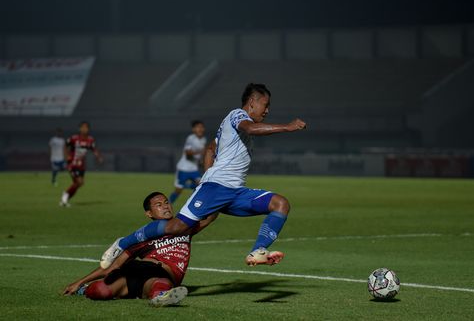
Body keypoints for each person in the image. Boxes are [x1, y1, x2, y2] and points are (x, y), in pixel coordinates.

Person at [101, 83, 306, 269]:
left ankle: (258, 250)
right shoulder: (237, 116)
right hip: (216, 188)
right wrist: (287, 127)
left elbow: (210, 149)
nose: (267, 110)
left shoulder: (231, 128)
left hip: (235, 191)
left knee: (280, 204)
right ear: (252, 102)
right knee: (176, 227)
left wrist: (207, 172)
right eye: (265, 104)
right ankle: (123, 243)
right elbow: (250, 129)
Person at [63, 191, 217, 306]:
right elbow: (115, 265)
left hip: (160, 274)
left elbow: (210, 217)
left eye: (166, 202)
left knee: (160, 285)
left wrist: (221, 196)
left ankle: (161, 296)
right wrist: (79, 281)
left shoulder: (184, 226)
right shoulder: (142, 236)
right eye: (159, 205)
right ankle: (84, 289)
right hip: (135, 271)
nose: (165, 207)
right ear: (149, 214)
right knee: (99, 291)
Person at [60, 121, 103, 207]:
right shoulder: (74, 138)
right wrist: (66, 156)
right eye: (82, 127)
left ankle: (65, 200)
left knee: (79, 184)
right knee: (79, 182)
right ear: (79, 129)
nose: (84, 129)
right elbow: (65, 145)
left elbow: (94, 149)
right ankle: (65, 195)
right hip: (72, 163)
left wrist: (98, 157)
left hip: (81, 166)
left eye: (86, 127)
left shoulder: (90, 140)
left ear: (88, 129)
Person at [169, 120, 207, 204]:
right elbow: (188, 153)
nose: (200, 129)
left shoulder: (203, 139)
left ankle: (194, 205)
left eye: (201, 127)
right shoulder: (191, 138)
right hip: (183, 169)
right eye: (198, 127)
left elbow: (202, 154)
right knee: (178, 191)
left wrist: (201, 161)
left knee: (201, 185)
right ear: (193, 129)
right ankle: (168, 204)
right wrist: (200, 153)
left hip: (194, 169)